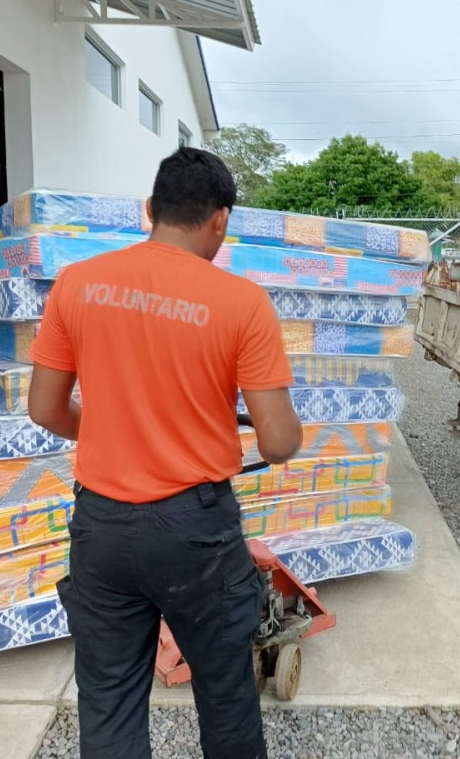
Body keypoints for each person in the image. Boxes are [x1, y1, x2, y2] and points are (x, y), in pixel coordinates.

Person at [28, 147, 303, 759]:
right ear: (220, 220)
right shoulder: (241, 302)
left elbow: (44, 410)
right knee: (226, 695)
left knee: (108, 701)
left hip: (100, 526)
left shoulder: (77, 284)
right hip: (195, 533)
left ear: (150, 209)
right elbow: (278, 442)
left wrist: (113, 430)